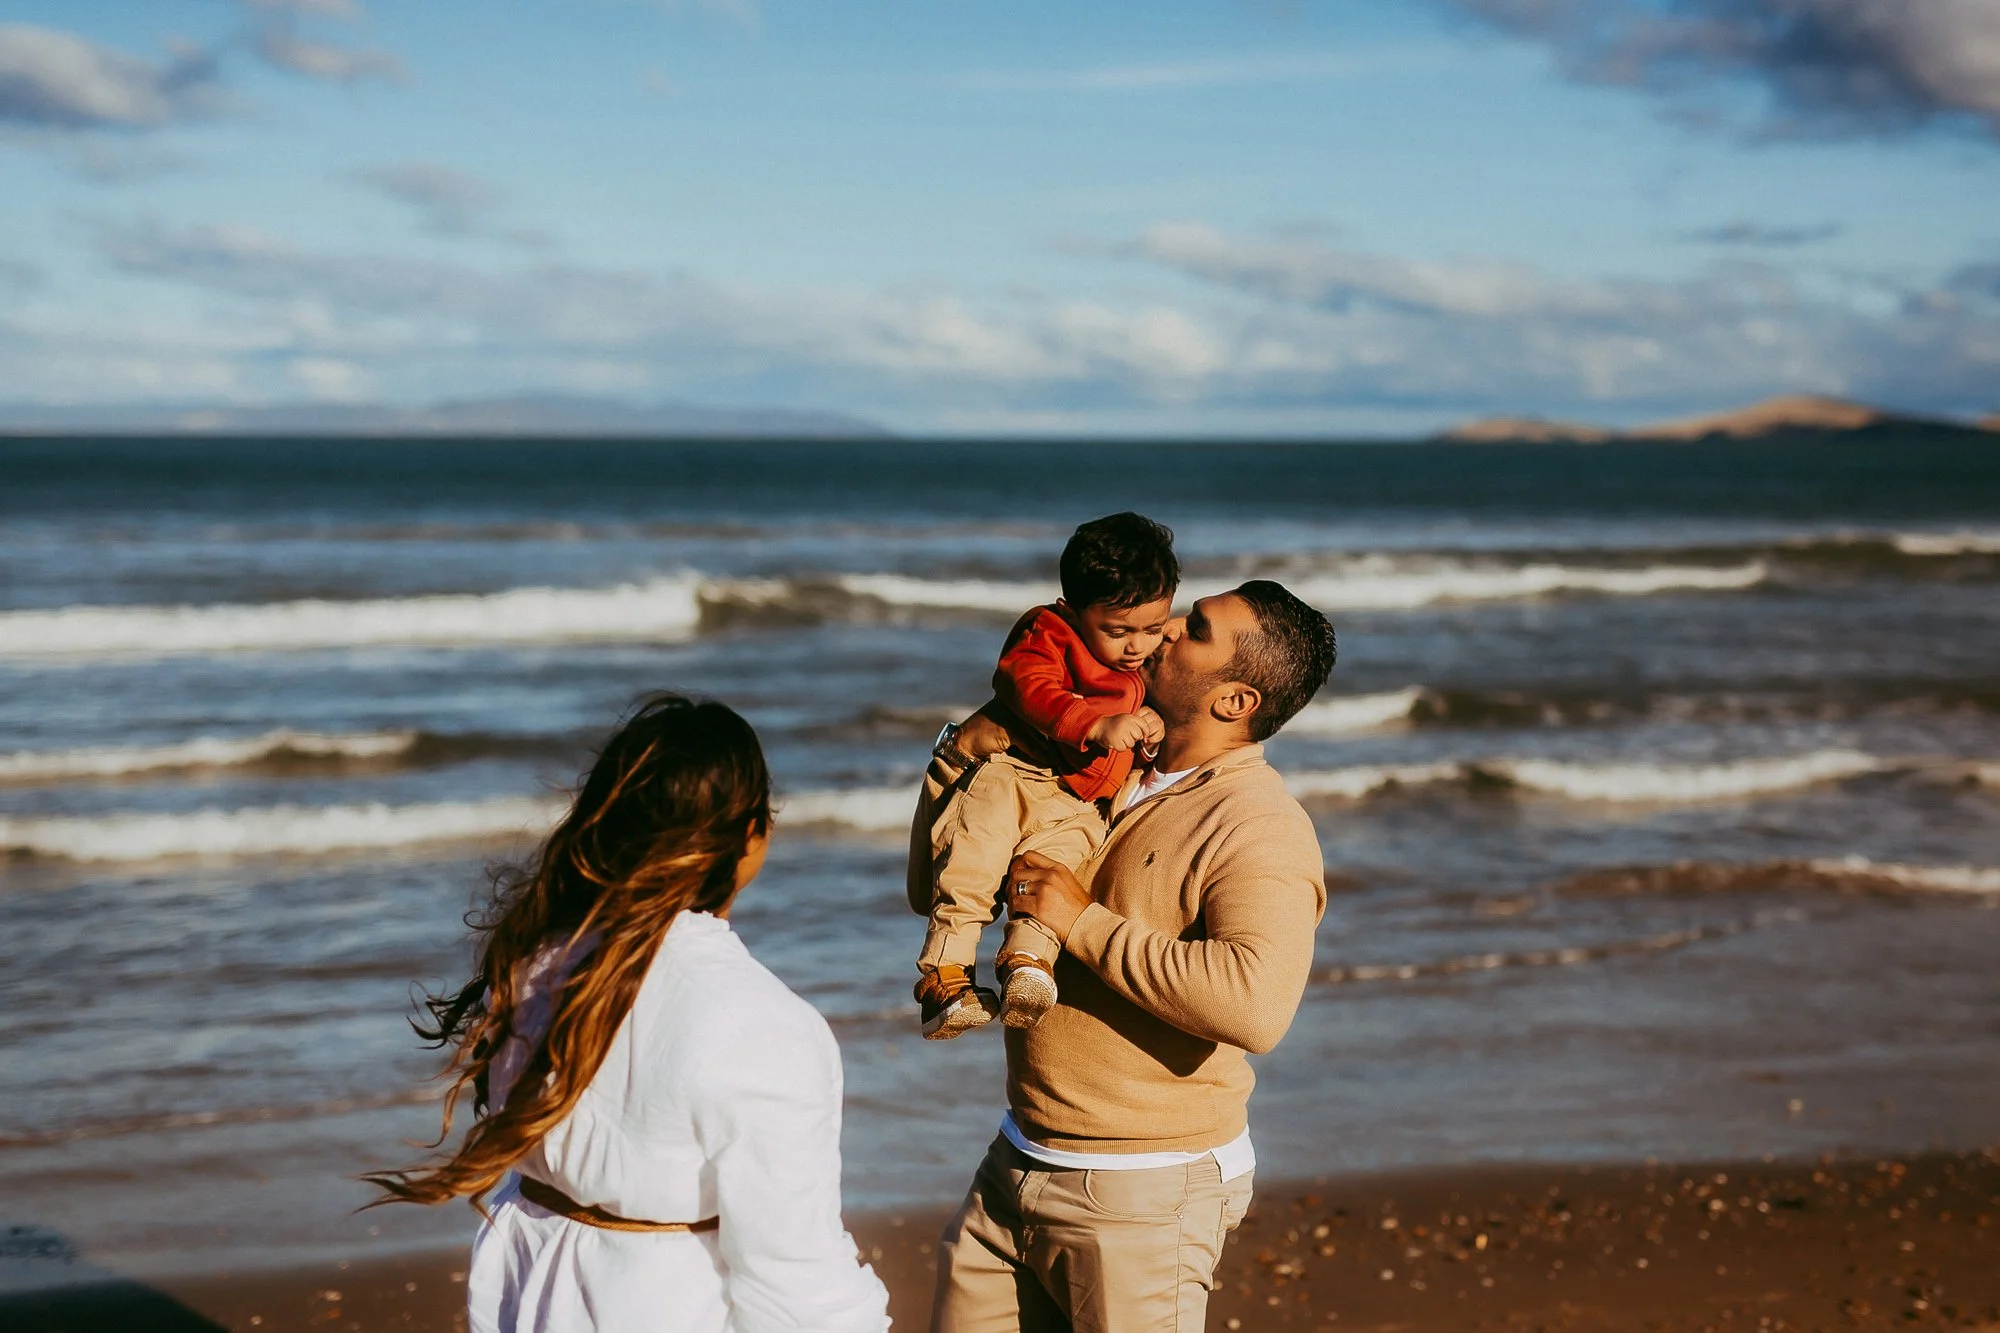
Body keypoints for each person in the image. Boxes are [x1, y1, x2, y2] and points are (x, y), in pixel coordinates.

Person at [365, 695, 890, 1333]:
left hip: (525, 1291)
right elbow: (794, 1282)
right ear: (753, 836)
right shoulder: (766, 1026)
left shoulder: (535, 960)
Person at [929, 580, 1337, 1333]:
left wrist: (1079, 919)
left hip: (1144, 1192)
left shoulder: (1258, 822)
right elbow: (934, 889)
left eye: (1200, 628)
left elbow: (1255, 1004)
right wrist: (957, 752)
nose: (1170, 628)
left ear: (1236, 701)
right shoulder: (1099, 769)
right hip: (1016, 1160)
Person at [909, 512, 1178, 1040]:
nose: (1137, 646)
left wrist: (1148, 734)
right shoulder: (1048, 631)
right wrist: (1092, 722)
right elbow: (1024, 683)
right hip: (1013, 776)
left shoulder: (1143, 665)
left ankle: (1027, 963)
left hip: (1079, 803)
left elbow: (1139, 733)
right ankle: (946, 977)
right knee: (972, 866)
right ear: (1074, 610)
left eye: (1151, 628)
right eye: (1118, 631)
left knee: (1054, 876)